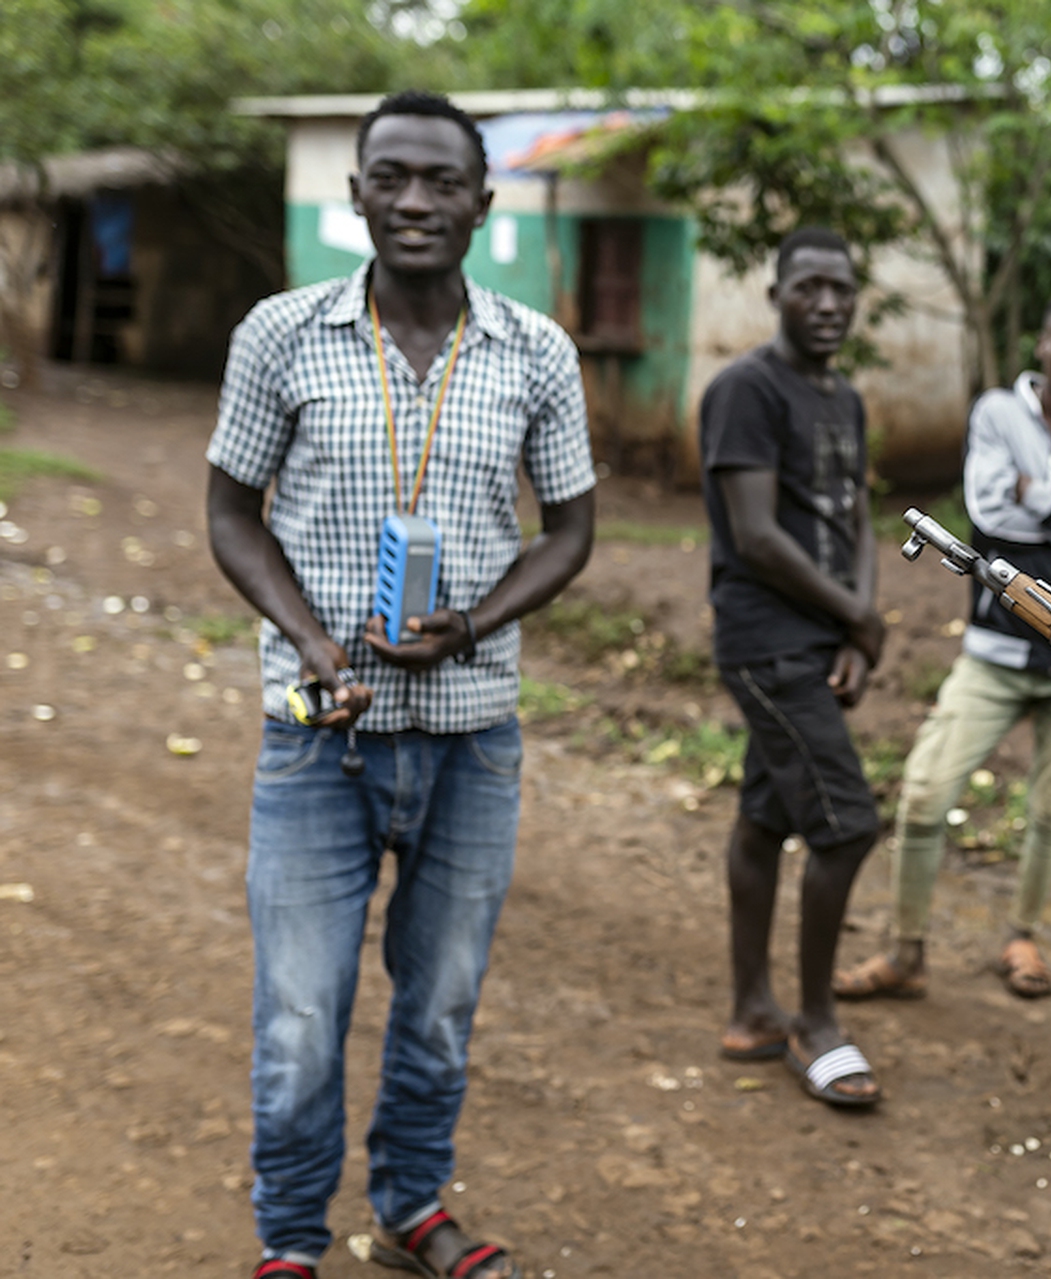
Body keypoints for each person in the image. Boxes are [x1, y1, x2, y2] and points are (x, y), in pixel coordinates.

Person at [206, 90, 595, 1279]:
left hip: (472, 738)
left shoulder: (537, 352)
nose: (416, 201)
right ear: (357, 194)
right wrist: (315, 642)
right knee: (299, 1017)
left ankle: (412, 1209)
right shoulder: (281, 334)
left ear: (484, 202)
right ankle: (288, 1239)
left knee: (438, 1005)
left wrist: (474, 622)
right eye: (393, 178)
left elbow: (571, 531)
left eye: (441, 182)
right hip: (319, 734)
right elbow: (230, 513)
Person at [834, 289, 1051, 1001]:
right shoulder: (997, 414)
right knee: (923, 792)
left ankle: (1021, 935)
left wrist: (1039, 498)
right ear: (1042, 345)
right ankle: (906, 950)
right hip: (996, 650)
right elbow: (987, 516)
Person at [700, 226, 887, 1108]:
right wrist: (854, 614)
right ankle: (814, 1021)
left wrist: (857, 630)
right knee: (845, 823)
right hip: (765, 638)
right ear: (774, 293)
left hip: (817, 641)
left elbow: (856, 518)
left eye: (840, 288)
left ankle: (749, 1009)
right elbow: (756, 534)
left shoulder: (843, 398)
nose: (826, 303)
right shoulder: (745, 389)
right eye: (807, 286)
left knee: (767, 812)